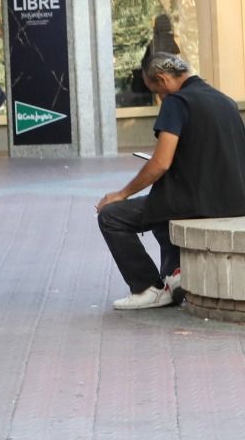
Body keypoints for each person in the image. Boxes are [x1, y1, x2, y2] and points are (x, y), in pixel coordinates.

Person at [97, 54, 245, 309]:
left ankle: (147, 288)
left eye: (157, 91)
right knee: (160, 203)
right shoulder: (226, 102)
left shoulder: (177, 102)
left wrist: (122, 194)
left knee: (112, 216)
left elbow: (160, 163)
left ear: (164, 80)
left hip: (196, 204)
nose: (159, 98)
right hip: (233, 202)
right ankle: (174, 274)